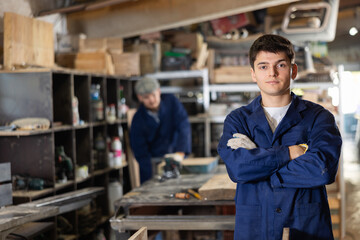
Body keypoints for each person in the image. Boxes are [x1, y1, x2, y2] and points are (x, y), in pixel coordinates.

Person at [217, 34, 342, 240]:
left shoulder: (319, 118)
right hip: (255, 227)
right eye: (263, 66)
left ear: (293, 70)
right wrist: (289, 153)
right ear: (253, 73)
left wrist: (259, 168)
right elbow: (238, 168)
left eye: (280, 65)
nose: (272, 73)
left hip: (305, 226)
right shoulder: (238, 120)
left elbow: (323, 169)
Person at [130, 76, 192, 184]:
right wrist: (152, 176)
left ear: (159, 91)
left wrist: (181, 153)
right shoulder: (137, 119)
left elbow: (183, 126)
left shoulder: (172, 102)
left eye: (154, 95)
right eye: (146, 97)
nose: (152, 100)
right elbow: (139, 151)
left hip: (176, 157)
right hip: (152, 165)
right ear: (140, 98)